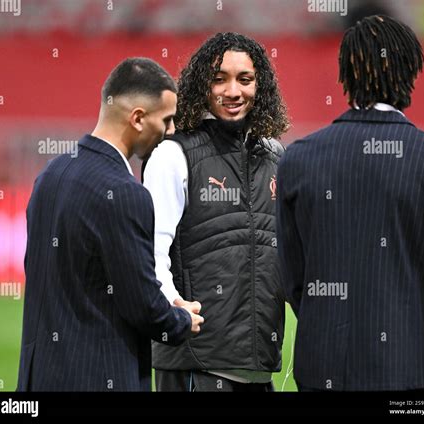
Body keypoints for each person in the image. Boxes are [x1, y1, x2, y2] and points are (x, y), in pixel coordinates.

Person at [277, 15, 424, 391]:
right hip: (405, 376)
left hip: (323, 371)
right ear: (411, 72)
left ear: (346, 74)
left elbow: (293, 280)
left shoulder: (298, 158)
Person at [17, 57, 204, 392]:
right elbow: (144, 307)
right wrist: (181, 320)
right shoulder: (125, 193)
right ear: (137, 119)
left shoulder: (49, 175)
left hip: (38, 379)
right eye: (167, 119)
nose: (172, 130)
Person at [143, 32, 290, 392]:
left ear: (261, 86)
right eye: (219, 79)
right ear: (201, 86)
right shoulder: (172, 155)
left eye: (245, 80)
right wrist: (172, 310)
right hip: (196, 364)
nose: (233, 92)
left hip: (259, 369)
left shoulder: (276, 156)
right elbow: (150, 250)